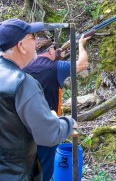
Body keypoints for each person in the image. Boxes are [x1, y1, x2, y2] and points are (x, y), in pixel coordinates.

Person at [0, 18, 78, 181]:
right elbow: (48, 135)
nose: (36, 41)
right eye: (32, 37)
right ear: (21, 46)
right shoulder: (22, 83)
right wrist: (67, 122)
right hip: (16, 174)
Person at [23, 34, 90, 181]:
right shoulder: (56, 68)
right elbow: (83, 64)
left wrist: (56, 56)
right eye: (54, 48)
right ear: (50, 51)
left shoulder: (24, 65)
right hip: (47, 124)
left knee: (26, 167)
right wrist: (81, 44)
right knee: (45, 169)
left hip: (23, 125)